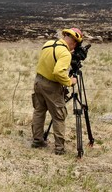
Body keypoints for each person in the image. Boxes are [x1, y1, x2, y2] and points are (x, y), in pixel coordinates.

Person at [31, 27, 83, 155]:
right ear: (75, 43)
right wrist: (70, 82)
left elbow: (49, 61)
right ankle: (59, 148)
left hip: (38, 81)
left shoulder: (48, 44)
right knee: (59, 116)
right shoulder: (65, 53)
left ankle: (37, 140)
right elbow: (58, 72)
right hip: (51, 86)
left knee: (39, 111)